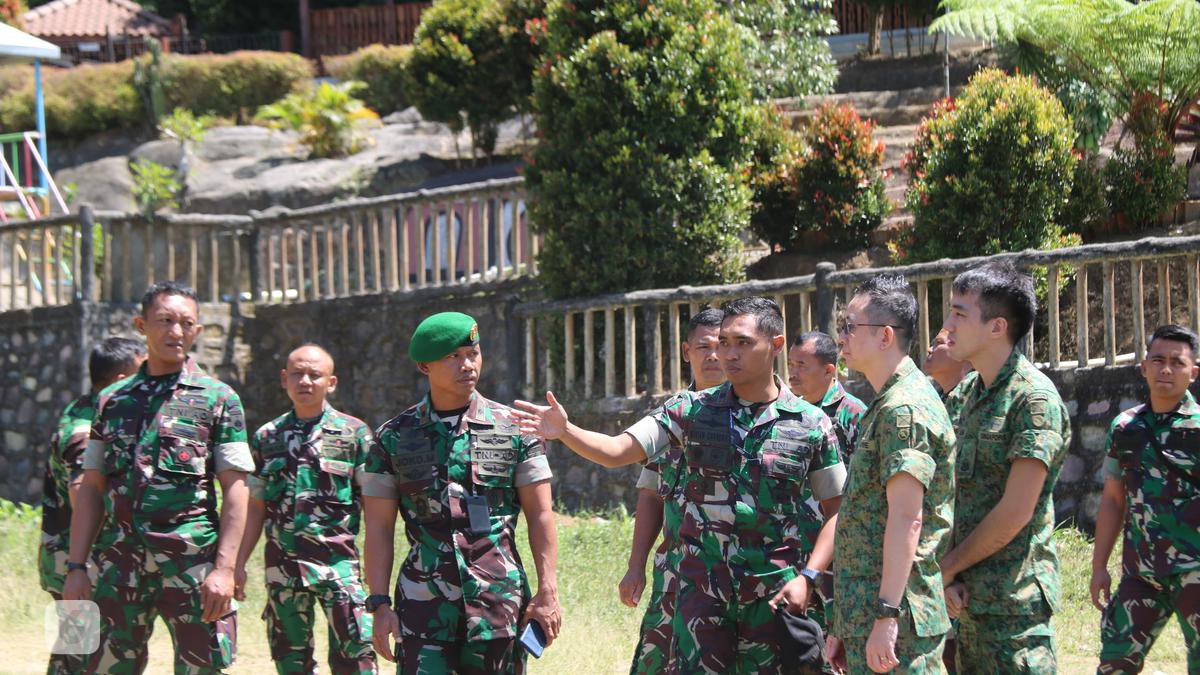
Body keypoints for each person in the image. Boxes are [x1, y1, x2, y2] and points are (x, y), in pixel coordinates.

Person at [514, 297, 846, 672]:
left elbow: (836, 511)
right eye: (723, 342)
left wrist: (809, 576)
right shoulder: (689, 410)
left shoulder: (810, 423)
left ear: (776, 345)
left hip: (774, 598)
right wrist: (566, 431)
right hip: (701, 599)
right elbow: (617, 450)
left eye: (743, 343)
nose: (728, 354)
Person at [64, 280, 254, 673]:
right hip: (119, 565)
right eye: (165, 321)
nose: (176, 331)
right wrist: (77, 566)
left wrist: (225, 568)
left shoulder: (218, 399)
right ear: (141, 325)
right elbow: (92, 488)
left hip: (192, 565)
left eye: (186, 323)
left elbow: (237, 489)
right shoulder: (111, 402)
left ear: (198, 331)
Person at [359, 312, 561, 674]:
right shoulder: (393, 437)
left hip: (497, 606)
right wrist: (379, 605)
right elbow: (377, 528)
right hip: (423, 610)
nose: (467, 365)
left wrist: (548, 591)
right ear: (424, 366)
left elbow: (541, 514)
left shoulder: (516, 430)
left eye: (473, 353)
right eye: (452, 356)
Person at [939, 261, 1070, 673]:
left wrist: (947, 567)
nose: (947, 326)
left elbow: (1015, 512)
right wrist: (947, 575)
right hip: (964, 601)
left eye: (960, 314)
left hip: (1014, 608)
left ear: (996, 327)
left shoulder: (1033, 401)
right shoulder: (964, 394)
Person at [827, 273, 956, 675]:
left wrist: (886, 615)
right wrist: (844, 626)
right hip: (870, 613)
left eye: (849, 327)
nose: (841, 338)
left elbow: (907, 517)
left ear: (885, 336)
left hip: (897, 622)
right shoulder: (889, 403)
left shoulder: (904, 409)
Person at [236, 344, 377, 674]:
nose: (305, 381)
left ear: (331, 382)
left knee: (356, 657)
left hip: (338, 565)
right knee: (290, 661)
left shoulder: (354, 434)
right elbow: (255, 507)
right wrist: (237, 564)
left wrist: (373, 563)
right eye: (297, 373)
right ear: (284, 379)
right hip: (282, 568)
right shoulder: (267, 436)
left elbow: (373, 506)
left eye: (315, 375)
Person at [620, 307, 726, 674]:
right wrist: (636, 567)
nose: (713, 355)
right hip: (675, 575)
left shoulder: (757, 413)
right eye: (703, 346)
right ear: (686, 351)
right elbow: (651, 493)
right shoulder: (670, 416)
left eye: (721, 345)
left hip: (733, 581)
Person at [1091, 324, 1200, 673]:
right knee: (1114, 663)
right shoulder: (1124, 427)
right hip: (1141, 573)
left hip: (1195, 571)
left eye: (1176, 362)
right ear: (1143, 367)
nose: (1166, 369)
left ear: (1193, 372)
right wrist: (1098, 567)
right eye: (1158, 360)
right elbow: (1112, 500)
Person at [39, 337, 145, 674]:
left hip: (73, 561)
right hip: (83, 564)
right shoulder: (85, 428)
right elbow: (81, 488)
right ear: (120, 381)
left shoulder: (89, 409)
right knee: (90, 657)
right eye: (141, 372)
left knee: (72, 655)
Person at [787, 330, 868, 458]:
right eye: (790, 364)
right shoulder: (790, 410)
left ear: (828, 371)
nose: (792, 373)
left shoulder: (854, 414)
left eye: (801, 366)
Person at [924, 329, 972, 402]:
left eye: (939, 343)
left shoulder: (972, 400)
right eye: (932, 344)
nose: (929, 350)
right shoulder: (928, 394)